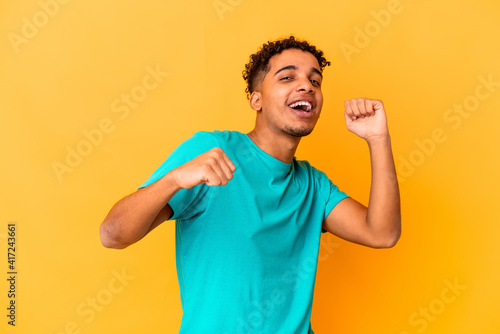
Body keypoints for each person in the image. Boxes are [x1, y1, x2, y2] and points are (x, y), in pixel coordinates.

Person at [99, 35, 401, 333]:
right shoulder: (211, 152)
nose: (306, 86)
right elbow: (113, 235)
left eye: (315, 81)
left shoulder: (313, 185)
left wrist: (377, 138)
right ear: (255, 99)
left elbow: (382, 233)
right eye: (287, 77)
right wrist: (174, 179)